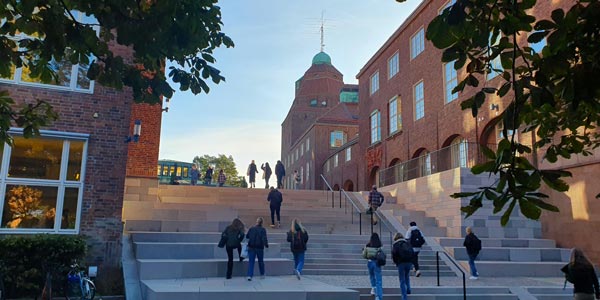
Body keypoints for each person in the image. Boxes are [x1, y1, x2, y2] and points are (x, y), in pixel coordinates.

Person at [392, 232, 414, 299]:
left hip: (401, 263)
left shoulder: (396, 244)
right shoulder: (407, 243)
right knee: (407, 276)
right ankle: (409, 289)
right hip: (409, 262)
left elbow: (394, 254)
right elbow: (412, 252)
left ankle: (404, 296)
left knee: (402, 279)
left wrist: (396, 262)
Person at [362, 233, 383, 300]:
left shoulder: (368, 245)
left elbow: (364, 255)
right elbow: (383, 254)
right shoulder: (380, 246)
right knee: (378, 280)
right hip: (377, 263)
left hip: (370, 262)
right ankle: (378, 297)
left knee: (372, 276)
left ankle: (373, 288)